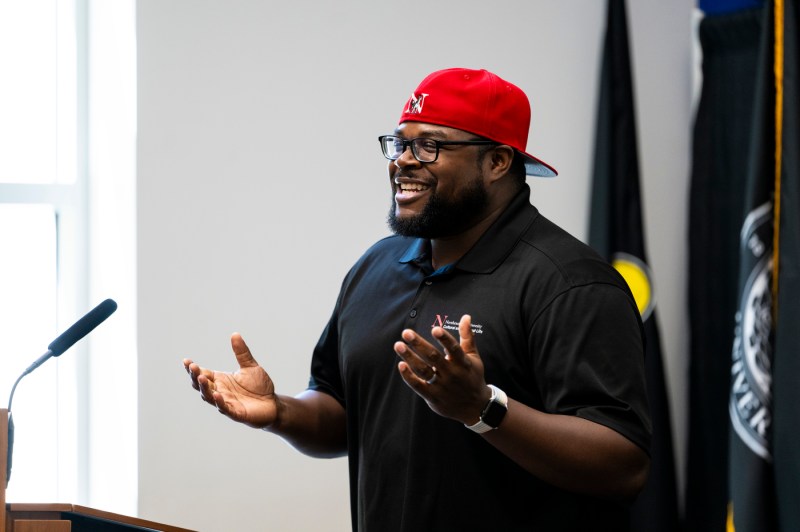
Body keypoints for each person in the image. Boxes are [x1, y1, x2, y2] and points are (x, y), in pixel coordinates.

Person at [184, 67, 651, 531]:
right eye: (399, 143)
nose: (403, 161)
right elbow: (342, 411)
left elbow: (622, 465)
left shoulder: (570, 283)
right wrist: (281, 412)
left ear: (498, 163)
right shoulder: (377, 267)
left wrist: (483, 409)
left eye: (429, 145)